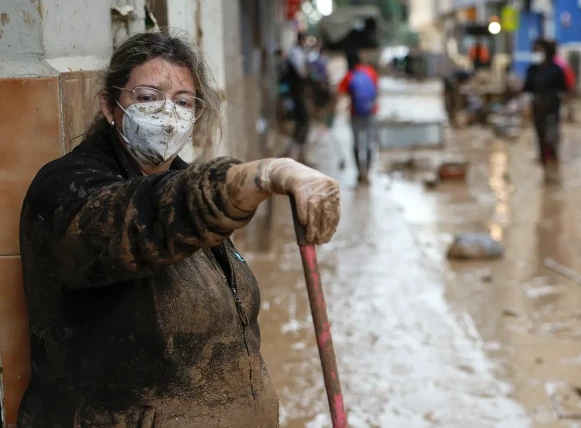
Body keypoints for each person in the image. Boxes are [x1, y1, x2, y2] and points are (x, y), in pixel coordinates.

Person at [17, 30, 340, 427]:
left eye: (183, 102)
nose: (168, 115)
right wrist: (257, 177)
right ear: (109, 105)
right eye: (148, 98)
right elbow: (132, 224)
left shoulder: (192, 187)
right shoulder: (67, 187)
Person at [523, 38, 568, 183]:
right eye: (535, 50)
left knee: (552, 139)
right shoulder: (532, 70)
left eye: (539, 50)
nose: (537, 53)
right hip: (537, 110)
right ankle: (545, 172)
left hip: (552, 110)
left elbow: (564, 89)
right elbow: (527, 89)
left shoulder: (556, 69)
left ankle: (554, 170)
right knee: (541, 140)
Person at [337, 51, 379, 184]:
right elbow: (377, 91)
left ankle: (359, 173)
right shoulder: (371, 72)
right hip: (371, 112)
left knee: (356, 142)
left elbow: (340, 94)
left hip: (355, 113)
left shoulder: (349, 76)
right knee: (368, 143)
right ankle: (367, 172)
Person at [280, 32, 311, 164]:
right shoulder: (296, 53)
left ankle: (297, 154)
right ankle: (295, 155)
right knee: (302, 122)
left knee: (302, 123)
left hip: (296, 93)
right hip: (295, 94)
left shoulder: (297, 52)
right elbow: (301, 73)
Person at [550, 40, 576, 122]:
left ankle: (565, 116)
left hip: (564, 83)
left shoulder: (556, 61)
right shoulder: (559, 60)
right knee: (567, 100)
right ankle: (569, 116)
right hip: (567, 82)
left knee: (563, 100)